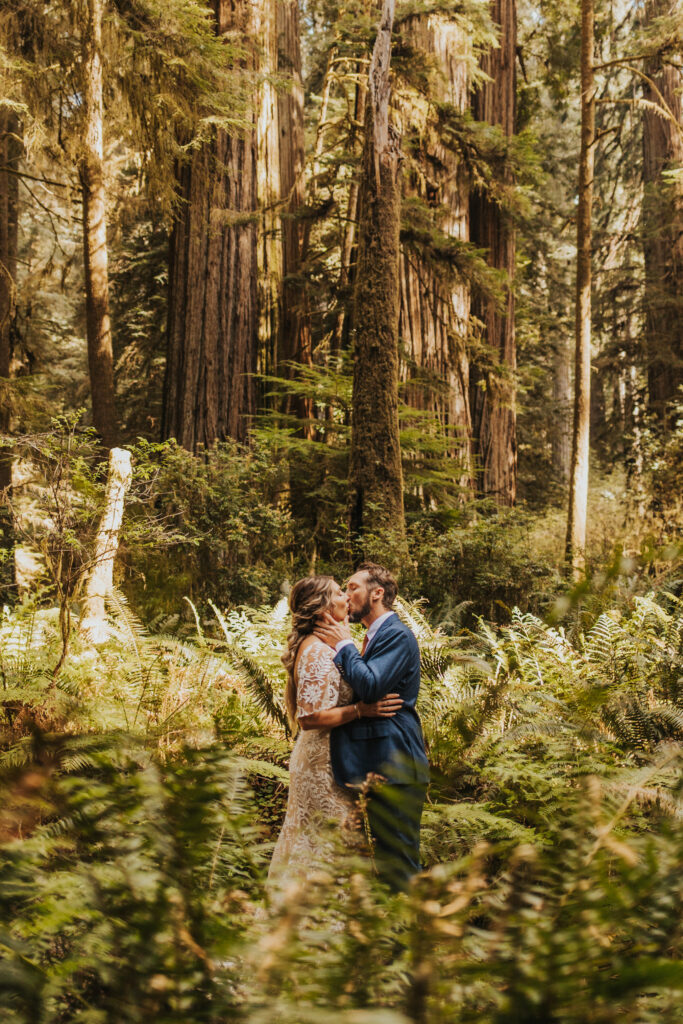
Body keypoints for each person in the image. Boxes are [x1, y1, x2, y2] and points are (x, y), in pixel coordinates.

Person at [268, 574, 402, 887]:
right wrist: (360, 710)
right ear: (324, 607)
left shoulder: (323, 645)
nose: (346, 598)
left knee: (326, 840)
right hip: (321, 763)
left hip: (331, 756)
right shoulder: (316, 651)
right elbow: (309, 717)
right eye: (340, 592)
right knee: (324, 841)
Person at [315, 562, 429, 890]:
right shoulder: (373, 636)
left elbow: (370, 685)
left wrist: (343, 644)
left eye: (353, 587)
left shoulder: (396, 634)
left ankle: (416, 935)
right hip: (379, 764)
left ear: (377, 593)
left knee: (400, 861)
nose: (347, 595)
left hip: (396, 764)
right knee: (387, 861)